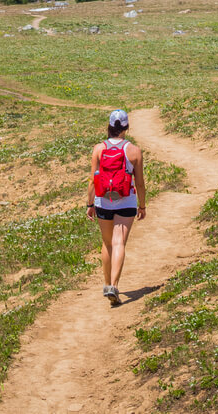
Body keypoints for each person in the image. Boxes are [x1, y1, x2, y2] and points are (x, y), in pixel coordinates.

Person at [86, 107, 146, 305]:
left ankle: (106, 284)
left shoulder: (98, 148)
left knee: (107, 243)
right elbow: (139, 183)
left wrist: (89, 204)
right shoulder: (134, 151)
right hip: (126, 202)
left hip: (103, 201)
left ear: (109, 126)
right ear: (126, 127)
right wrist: (142, 206)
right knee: (119, 242)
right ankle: (114, 285)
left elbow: (92, 180)